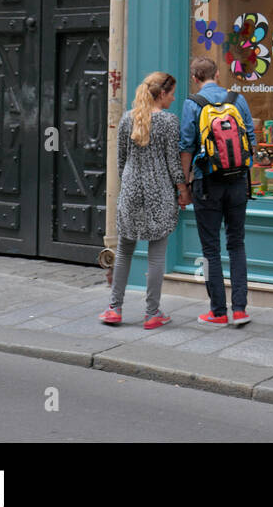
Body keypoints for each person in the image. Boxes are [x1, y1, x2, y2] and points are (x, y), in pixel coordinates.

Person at [100, 72, 187, 329]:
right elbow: (173, 162)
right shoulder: (169, 122)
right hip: (158, 191)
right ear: (162, 94)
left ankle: (114, 309)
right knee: (156, 255)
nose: (173, 98)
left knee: (125, 250)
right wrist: (182, 188)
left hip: (131, 190)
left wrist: (129, 183)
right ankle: (152, 313)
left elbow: (121, 160)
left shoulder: (128, 118)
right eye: (171, 93)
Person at [180, 56, 256, 326]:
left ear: (195, 78)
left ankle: (217, 311)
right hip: (237, 182)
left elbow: (186, 146)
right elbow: (251, 139)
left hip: (207, 183)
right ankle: (240, 310)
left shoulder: (193, 104)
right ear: (218, 74)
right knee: (237, 244)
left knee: (210, 249)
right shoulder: (238, 100)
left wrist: (184, 184)